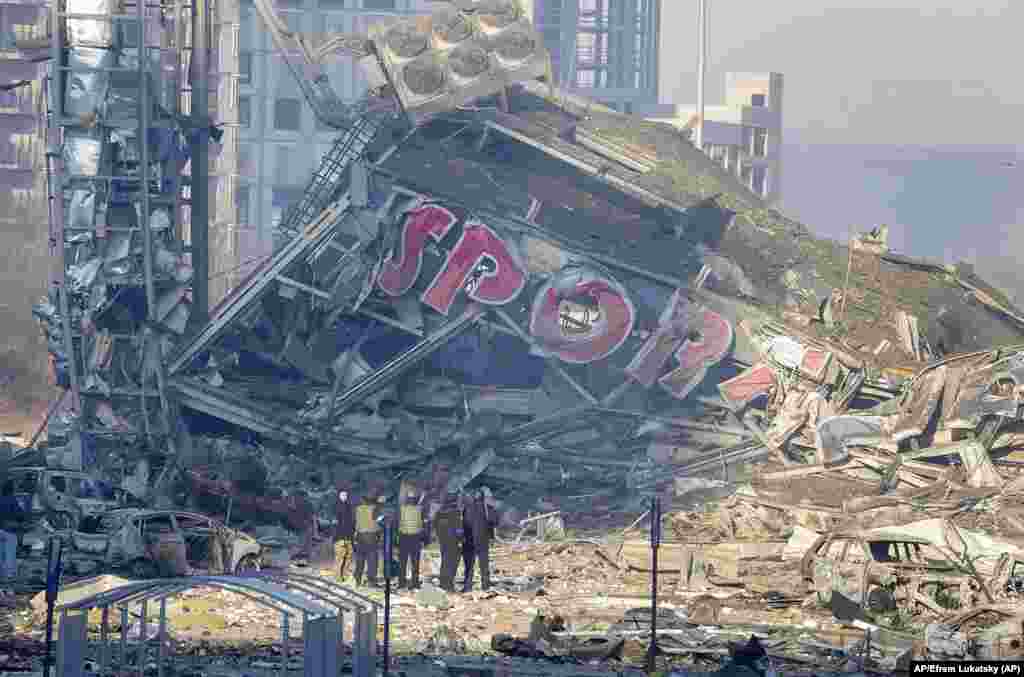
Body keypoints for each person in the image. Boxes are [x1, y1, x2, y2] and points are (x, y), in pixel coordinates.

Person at [461, 486, 497, 592]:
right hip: (483, 539)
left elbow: (465, 523)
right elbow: (495, 521)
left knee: (469, 565)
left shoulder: (468, 508)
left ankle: (467, 587)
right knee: (484, 564)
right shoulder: (487, 508)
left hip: (470, 540)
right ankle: (486, 586)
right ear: (483, 497)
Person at [432, 488, 463, 592]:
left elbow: (435, 526)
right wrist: (461, 539)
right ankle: (448, 584)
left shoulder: (439, 513)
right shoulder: (455, 513)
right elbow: (459, 529)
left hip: (443, 541)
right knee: (453, 562)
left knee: (445, 561)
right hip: (453, 542)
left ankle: (443, 583)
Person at [397, 486, 427, 589]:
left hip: (404, 537)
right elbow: (421, 504)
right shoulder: (419, 509)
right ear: (415, 499)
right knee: (415, 562)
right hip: (415, 538)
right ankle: (415, 583)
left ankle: (401, 583)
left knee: (402, 562)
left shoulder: (402, 509)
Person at [353, 490, 380, 587]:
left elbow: (355, 522)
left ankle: (357, 579)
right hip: (371, 536)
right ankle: (371, 580)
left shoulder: (358, 509)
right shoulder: (375, 509)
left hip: (360, 536)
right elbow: (378, 524)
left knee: (360, 558)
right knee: (372, 559)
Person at [333, 485, 355, 580]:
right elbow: (335, 523)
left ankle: (344, 575)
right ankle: (338, 576)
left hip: (348, 536)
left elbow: (351, 521)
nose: (344, 496)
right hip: (339, 537)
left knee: (348, 556)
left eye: (345, 495)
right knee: (340, 557)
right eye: (342, 495)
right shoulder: (335, 507)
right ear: (339, 495)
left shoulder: (349, 506)